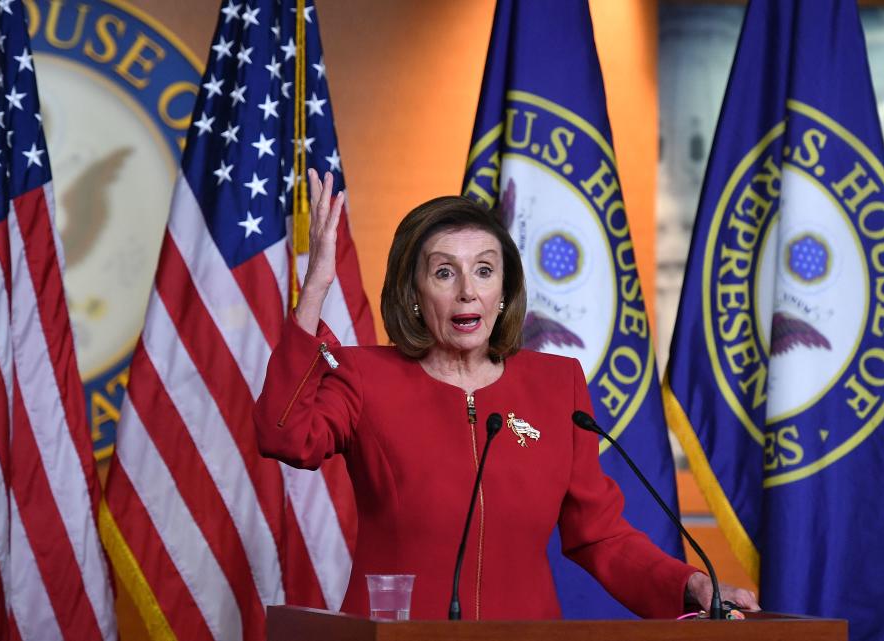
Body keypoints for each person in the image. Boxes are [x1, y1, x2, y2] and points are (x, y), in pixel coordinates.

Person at [254, 170, 758, 620]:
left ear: (504, 291)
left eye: (485, 270)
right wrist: (316, 286)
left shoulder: (557, 386)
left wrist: (689, 583)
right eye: (445, 272)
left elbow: (599, 534)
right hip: (400, 636)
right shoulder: (366, 377)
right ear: (414, 292)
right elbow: (283, 435)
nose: (467, 291)